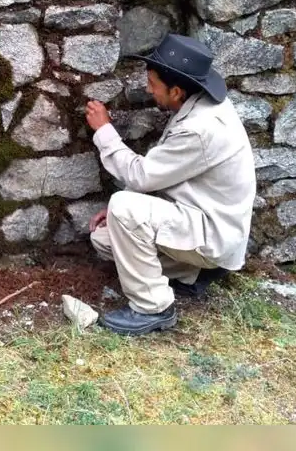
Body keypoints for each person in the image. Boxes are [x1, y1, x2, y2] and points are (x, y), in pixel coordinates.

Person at [84, 33, 256, 336]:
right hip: (199, 217)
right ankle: (192, 273)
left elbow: (141, 175)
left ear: (176, 91)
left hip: (213, 232)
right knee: (105, 239)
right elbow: (167, 173)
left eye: (153, 84)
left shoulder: (200, 129)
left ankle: (153, 308)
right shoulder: (199, 107)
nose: (148, 90)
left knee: (123, 207)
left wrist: (104, 132)